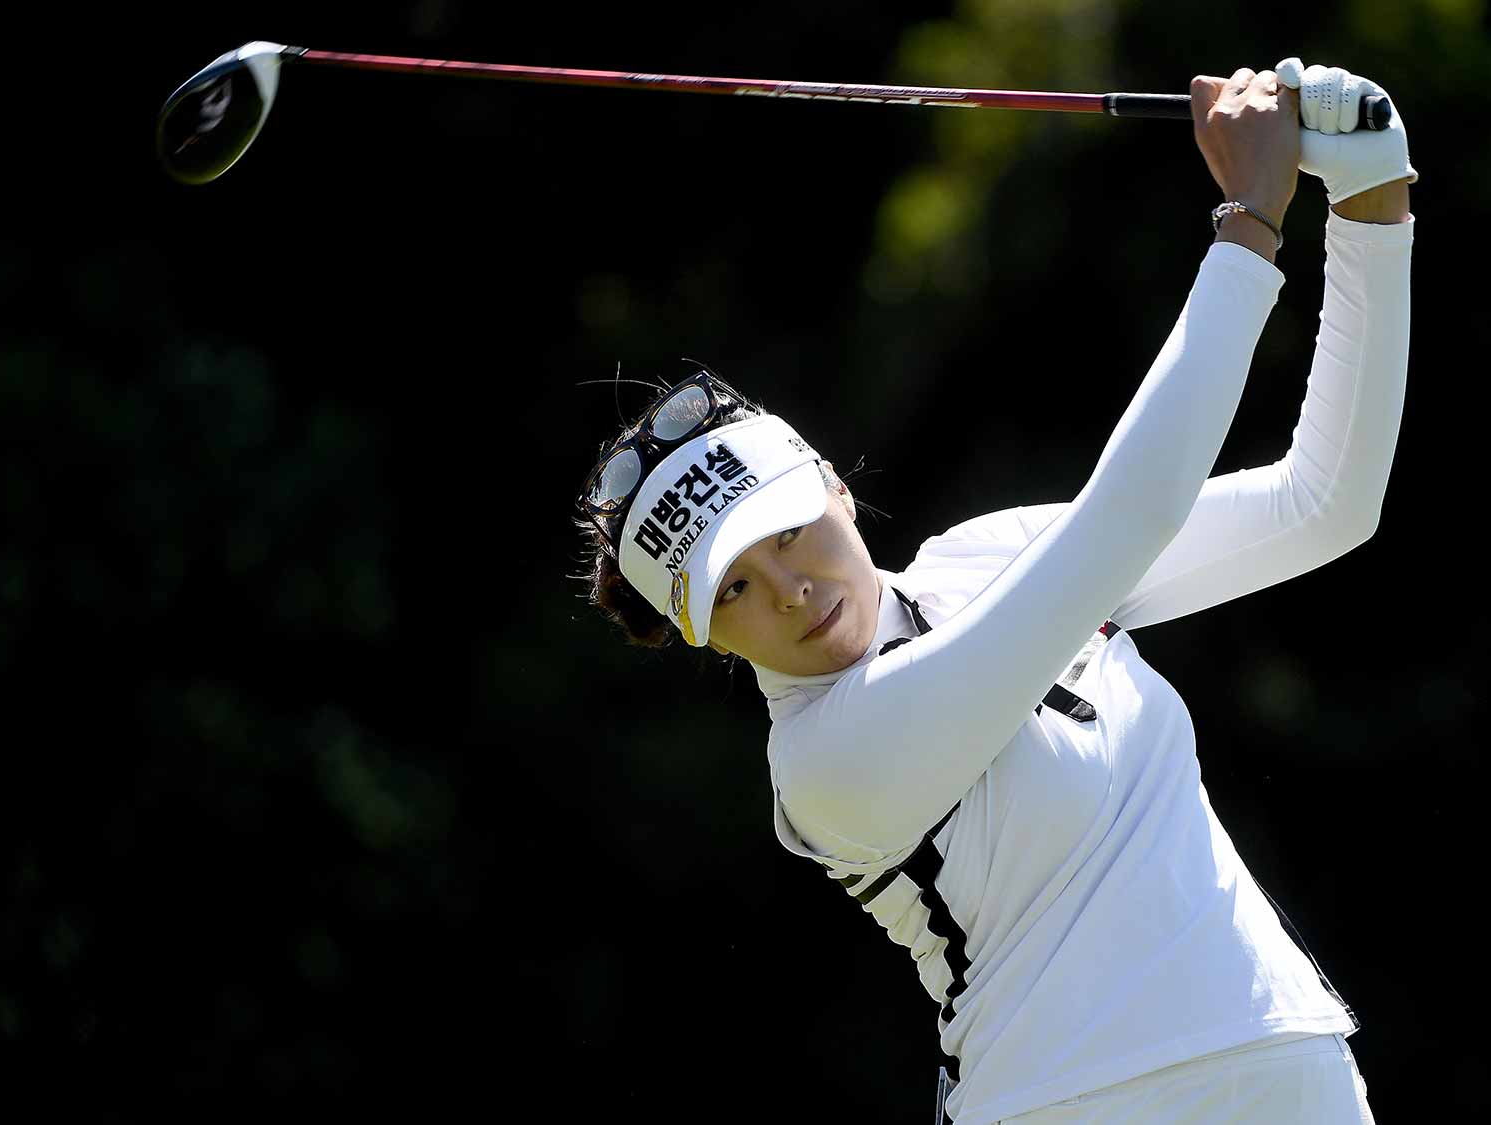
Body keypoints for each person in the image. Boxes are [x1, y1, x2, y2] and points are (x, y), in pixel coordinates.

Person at [576, 58, 1416, 1125]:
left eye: (787, 534)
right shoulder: (826, 766)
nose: (786, 590)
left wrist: (1372, 200)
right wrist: (1247, 224)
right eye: (734, 588)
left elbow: (1323, 505)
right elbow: (1124, 521)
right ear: (699, 633)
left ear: (832, 483)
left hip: (1283, 1060)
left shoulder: (982, 556)